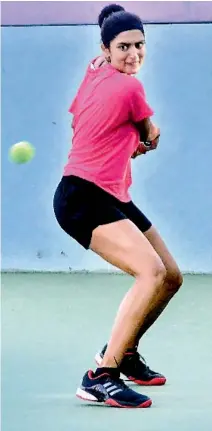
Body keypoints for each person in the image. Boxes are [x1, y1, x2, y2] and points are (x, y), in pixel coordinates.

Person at [53, 4, 183, 408]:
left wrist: (120, 146)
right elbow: (151, 132)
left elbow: (79, 122)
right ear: (106, 49)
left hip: (110, 192)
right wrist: (143, 136)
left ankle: (124, 352)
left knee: (171, 276)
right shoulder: (131, 88)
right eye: (123, 46)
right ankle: (101, 376)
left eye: (140, 45)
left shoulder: (95, 71)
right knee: (151, 272)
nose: (133, 55)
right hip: (81, 197)